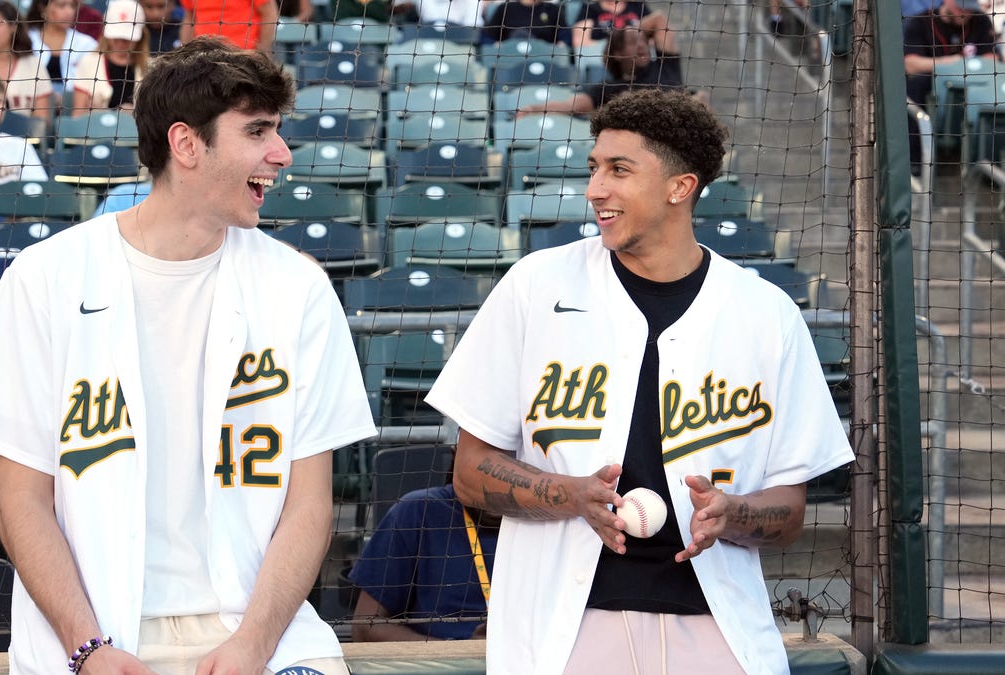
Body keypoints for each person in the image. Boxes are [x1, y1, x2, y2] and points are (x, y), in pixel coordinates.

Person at [0, 36, 376, 674]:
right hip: (94, 636)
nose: (282, 153)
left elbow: (310, 504)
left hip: (258, 630)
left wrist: (253, 645)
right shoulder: (45, 278)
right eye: (257, 131)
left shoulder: (299, 288)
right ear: (186, 144)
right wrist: (88, 649)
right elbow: (21, 502)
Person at [424, 88, 854, 674]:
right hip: (565, 625)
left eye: (619, 170)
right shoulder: (535, 286)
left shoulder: (765, 314)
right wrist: (571, 495)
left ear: (681, 187)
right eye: (594, 168)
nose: (595, 188)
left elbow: (789, 511)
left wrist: (732, 514)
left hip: (718, 623)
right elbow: (471, 474)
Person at [349, 483, 499, 642]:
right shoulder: (418, 510)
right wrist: (459, 651)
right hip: (444, 655)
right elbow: (364, 628)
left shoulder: (521, 526)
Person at [515, 26, 682, 117]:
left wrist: (633, 27)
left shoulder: (665, 65)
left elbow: (659, 20)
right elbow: (571, 106)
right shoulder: (609, 89)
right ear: (617, 53)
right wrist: (533, 109)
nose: (641, 45)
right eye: (632, 42)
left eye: (643, 40)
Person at [903, 0, 999, 106]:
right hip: (932, 93)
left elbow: (992, 59)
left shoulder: (980, 20)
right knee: (919, 82)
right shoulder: (921, 22)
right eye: (960, 8)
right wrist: (953, 62)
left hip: (970, 89)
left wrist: (960, 63)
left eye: (969, 9)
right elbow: (911, 65)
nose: (966, 12)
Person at [69, 0, 148, 115]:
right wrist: (99, 114)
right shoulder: (89, 62)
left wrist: (135, 115)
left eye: (126, 38)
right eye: (116, 37)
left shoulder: (151, 68)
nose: (120, 42)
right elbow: (78, 115)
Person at [27, 0, 98, 100]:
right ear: (43, 8)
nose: (69, 11)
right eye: (61, 5)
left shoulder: (87, 44)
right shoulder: (27, 39)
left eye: (72, 6)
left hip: (73, 104)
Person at [568, 0, 673, 54]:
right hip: (600, 62)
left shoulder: (638, 6)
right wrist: (616, 49)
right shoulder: (590, 8)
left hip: (637, 57)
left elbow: (654, 37)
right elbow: (579, 41)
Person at [180, 0, 278, 54]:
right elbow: (189, 18)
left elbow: (269, 13)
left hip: (243, 55)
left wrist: (262, 51)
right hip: (202, 54)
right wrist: (186, 51)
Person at [480, 0, 569, 45]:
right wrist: (496, 45)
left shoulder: (552, 9)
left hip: (544, 57)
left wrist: (562, 44)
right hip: (511, 57)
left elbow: (565, 35)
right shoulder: (505, 8)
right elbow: (487, 36)